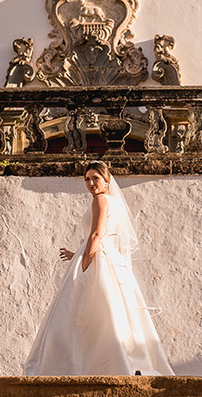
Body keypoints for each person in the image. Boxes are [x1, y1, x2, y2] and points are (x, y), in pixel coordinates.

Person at [25, 160, 173, 376]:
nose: (91, 183)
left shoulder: (100, 200)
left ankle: (77, 367)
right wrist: (77, 254)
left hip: (96, 260)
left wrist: (84, 265)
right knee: (110, 315)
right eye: (87, 179)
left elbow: (96, 235)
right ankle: (114, 364)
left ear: (106, 180)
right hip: (106, 259)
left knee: (80, 318)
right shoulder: (112, 201)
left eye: (95, 178)